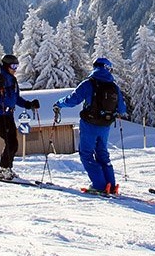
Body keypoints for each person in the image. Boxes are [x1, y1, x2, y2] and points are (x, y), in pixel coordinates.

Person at [54, 57, 128, 195]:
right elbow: (122, 109)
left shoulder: (89, 84)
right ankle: (110, 185)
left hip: (89, 123)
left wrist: (59, 104)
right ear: (108, 68)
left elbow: (72, 100)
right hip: (105, 125)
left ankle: (99, 185)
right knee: (102, 154)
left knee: (86, 154)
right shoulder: (114, 87)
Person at [0, 54, 39, 180]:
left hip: (8, 115)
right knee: (11, 142)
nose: (15, 69)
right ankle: (3, 169)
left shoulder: (13, 81)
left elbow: (16, 98)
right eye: (13, 66)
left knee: (13, 143)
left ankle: (6, 168)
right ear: (6, 66)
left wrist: (29, 105)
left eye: (17, 66)